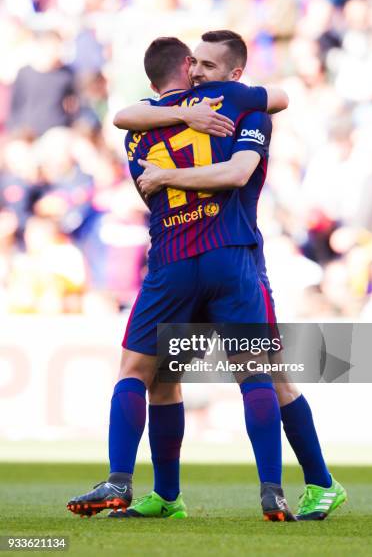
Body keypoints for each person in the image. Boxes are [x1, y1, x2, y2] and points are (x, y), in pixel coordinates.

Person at [111, 30, 347, 521]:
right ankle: (170, 496)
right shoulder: (187, 113)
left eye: (209, 67)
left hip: (237, 258)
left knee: (271, 374)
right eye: (194, 64)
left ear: (236, 74)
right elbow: (125, 115)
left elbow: (240, 169)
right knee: (168, 377)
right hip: (201, 259)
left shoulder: (240, 106)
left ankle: (317, 483)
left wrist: (166, 173)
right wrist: (185, 113)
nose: (198, 73)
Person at [67, 35, 295, 522]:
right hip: (229, 255)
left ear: (151, 80)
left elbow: (125, 115)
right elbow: (276, 99)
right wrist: (198, 111)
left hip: (172, 258)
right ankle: (272, 490)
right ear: (189, 66)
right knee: (253, 372)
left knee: (144, 375)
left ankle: (126, 481)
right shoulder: (227, 101)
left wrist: (173, 117)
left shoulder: (136, 130)